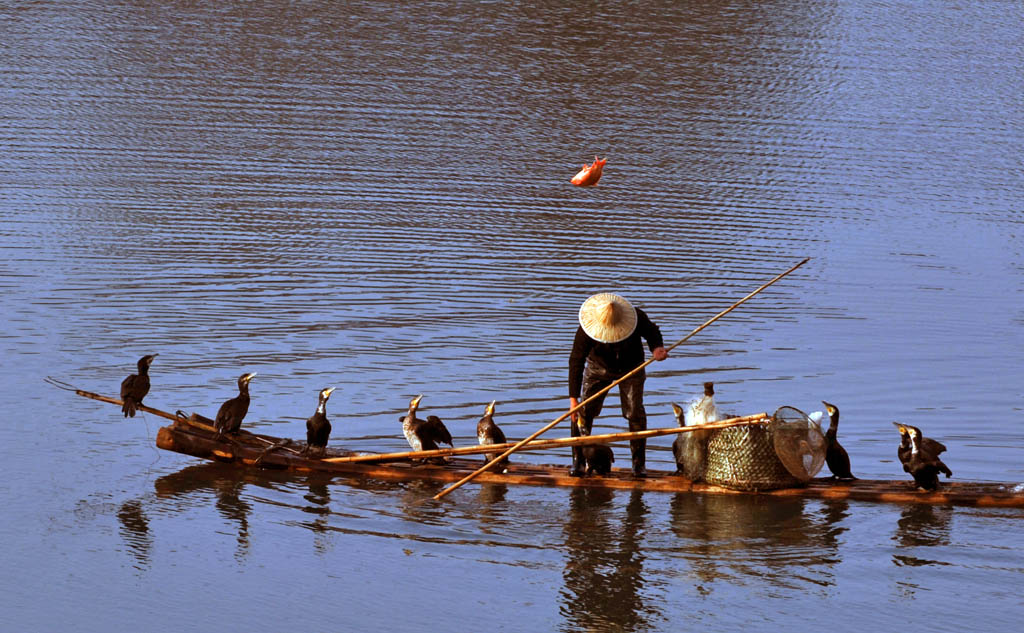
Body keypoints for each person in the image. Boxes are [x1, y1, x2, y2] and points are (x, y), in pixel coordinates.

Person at [568, 293, 668, 478]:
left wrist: (657, 348)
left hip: (631, 367)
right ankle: (579, 462)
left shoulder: (636, 317)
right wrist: (573, 399)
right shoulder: (586, 329)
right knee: (583, 412)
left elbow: (652, 332)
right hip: (599, 368)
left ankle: (638, 465)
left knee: (634, 412)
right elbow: (576, 361)